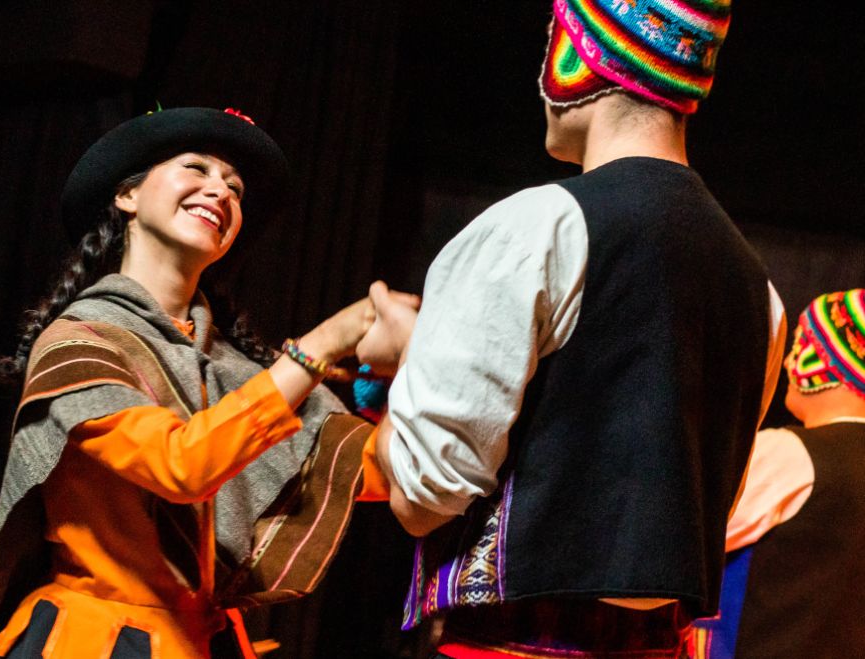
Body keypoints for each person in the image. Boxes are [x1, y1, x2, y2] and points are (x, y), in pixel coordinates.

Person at [355, 1, 788, 656]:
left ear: (577, 58)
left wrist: (407, 363)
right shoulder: (760, 290)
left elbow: (425, 495)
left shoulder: (534, 228)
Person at [0, 107, 376, 658]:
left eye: (235, 189)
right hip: (99, 639)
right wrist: (324, 344)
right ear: (128, 196)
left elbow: (371, 469)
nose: (221, 191)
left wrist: (407, 372)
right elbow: (181, 465)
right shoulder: (79, 341)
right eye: (196, 168)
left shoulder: (241, 369)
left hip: (204, 641)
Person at [689, 289, 865, 659]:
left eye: (801, 342)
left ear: (830, 361)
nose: (786, 361)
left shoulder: (788, 455)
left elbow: (689, 536)